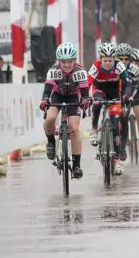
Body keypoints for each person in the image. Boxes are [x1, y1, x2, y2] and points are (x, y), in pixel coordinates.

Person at [40, 42, 89, 179]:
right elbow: (47, 89)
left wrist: (85, 100)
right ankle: (51, 141)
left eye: (70, 62)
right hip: (57, 95)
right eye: (63, 62)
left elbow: (85, 92)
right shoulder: (53, 70)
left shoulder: (80, 71)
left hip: (73, 97)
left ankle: (77, 165)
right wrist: (44, 100)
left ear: (75, 60)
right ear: (58, 61)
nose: (67, 65)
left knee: (74, 129)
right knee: (50, 119)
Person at [88, 42, 131, 176]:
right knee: (97, 103)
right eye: (105, 60)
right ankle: (94, 129)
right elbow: (88, 82)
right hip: (99, 90)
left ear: (114, 59)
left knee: (115, 127)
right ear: (100, 59)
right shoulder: (95, 67)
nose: (107, 63)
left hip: (114, 93)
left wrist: (125, 96)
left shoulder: (119, 66)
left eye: (110, 60)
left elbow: (127, 83)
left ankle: (117, 160)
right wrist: (85, 96)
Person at [116, 42, 138, 161]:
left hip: (127, 94)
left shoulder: (134, 69)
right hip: (114, 94)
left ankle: (123, 148)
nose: (123, 61)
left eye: (126, 58)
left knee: (124, 117)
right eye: (121, 58)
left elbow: (134, 85)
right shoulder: (113, 66)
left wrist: (130, 97)